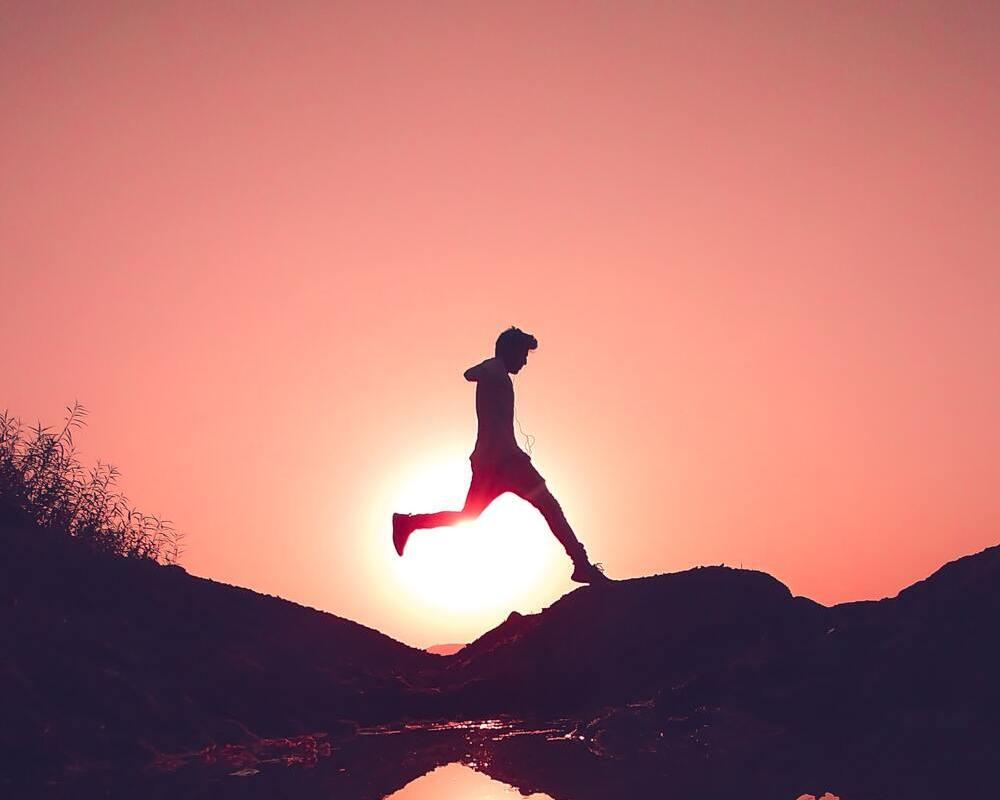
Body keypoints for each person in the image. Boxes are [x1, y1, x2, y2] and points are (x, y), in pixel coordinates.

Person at [392, 326, 608, 584]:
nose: (525, 361)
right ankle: (581, 565)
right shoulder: (494, 369)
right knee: (549, 506)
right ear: (511, 351)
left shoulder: (498, 373)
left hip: (489, 463)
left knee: (469, 516)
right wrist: (488, 368)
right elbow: (470, 374)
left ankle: (408, 524)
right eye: (523, 355)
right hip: (506, 463)